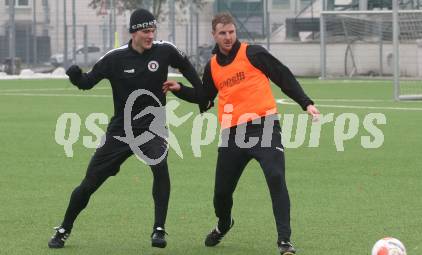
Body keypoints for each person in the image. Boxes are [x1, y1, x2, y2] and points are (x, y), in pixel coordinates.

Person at [163, 12, 320, 255]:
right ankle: (224, 223)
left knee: (276, 178)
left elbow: (283, 75)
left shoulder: (253, 53)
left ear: (235, 32)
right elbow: (204, 99)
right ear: (214, 35)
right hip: (233, 135)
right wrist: (179, 89)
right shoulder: (212, 66)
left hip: (265, 126)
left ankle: (285, 241)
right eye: (222, 33)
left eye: (231, 32)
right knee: (221, 194)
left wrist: (305, 102)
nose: (228, 37)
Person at [48, 8, 203, 249]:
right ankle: (64, 229)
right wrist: (75, 76)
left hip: (153, 128)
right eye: (145, 31)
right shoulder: (115, 58)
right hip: (121, 131)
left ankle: (159, 229)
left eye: (152, 30)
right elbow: (87, 82)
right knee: (89, 183)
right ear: (133, 33)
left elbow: (185, 64)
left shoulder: (164, 50)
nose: (150, 35)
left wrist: (198, 88)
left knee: (160, 168)